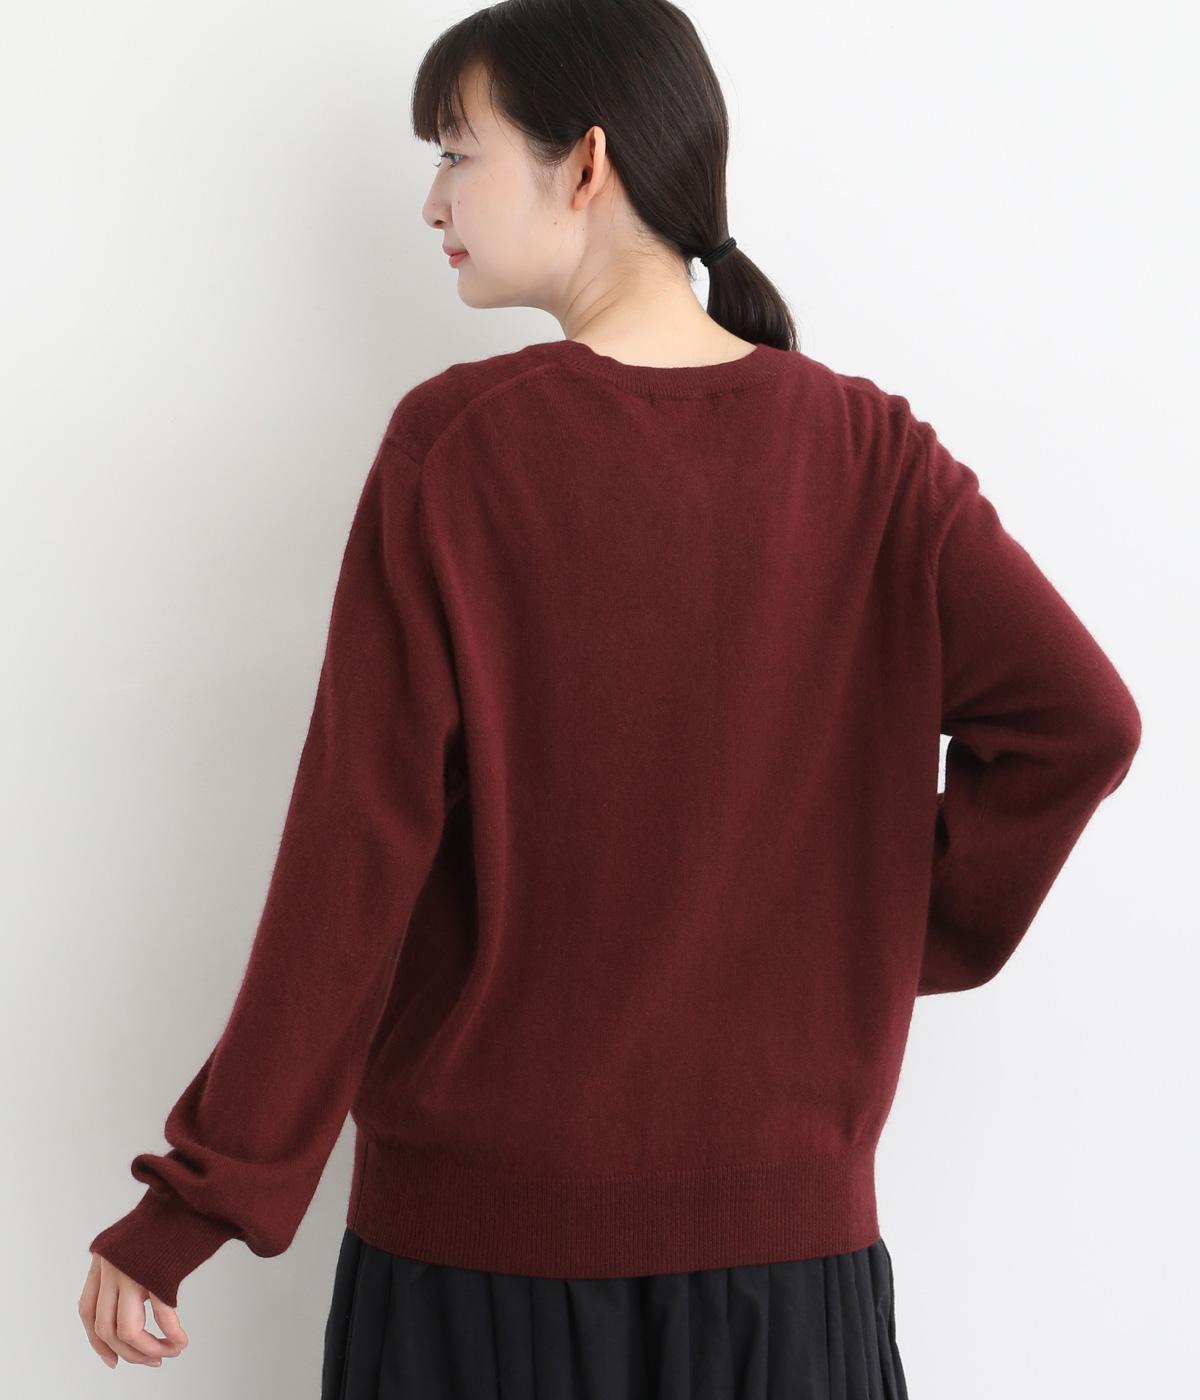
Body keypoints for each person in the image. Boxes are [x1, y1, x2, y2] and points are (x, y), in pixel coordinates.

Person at [79, 1, 1142, 1394]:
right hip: (789, 1284)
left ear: (585, 164)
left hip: (481, 1277)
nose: (432, 203)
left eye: (456, 153)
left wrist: (195, 1202)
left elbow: (356, 854)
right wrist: (881, 933)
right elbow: (1083, 726)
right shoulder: (870, 457)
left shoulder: (461, 449)